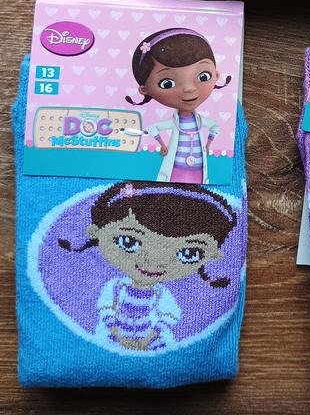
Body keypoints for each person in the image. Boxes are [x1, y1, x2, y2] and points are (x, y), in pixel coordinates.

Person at [58, 182, 237, 351]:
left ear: (214, 255)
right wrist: (116, 332)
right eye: (128, 241)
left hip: (153, 341)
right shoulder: (116, 288)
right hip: (112, 336)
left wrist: (149, 338)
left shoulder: (161, 296)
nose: (155, 261)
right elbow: (106, 311)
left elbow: (167, 318)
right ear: (95, 232)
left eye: (189, 253)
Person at [125, 29, 231, 184]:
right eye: (167, 83)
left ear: (216, 75)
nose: (189, 89)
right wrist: (162, 145)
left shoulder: (201, 121)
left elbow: (215, 126)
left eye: (204, 76)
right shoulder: (174, 123)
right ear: (145, 89)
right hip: (175, 170)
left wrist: (208, 144)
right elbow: (153, 128)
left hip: (199, 170)